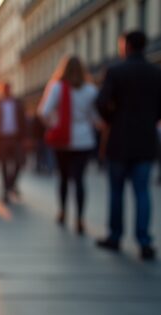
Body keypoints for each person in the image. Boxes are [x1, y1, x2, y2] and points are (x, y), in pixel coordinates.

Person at [95, 31, 161, 260]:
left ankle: (115, 236)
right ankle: (144, 241)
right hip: (145, 140)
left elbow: (101, 102)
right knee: (142, 192)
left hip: (119, 140)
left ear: (127, 46)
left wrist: (112, 119)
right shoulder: (155, 72)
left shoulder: (115, 71)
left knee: (117, 191)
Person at [38, 56, 100, 234]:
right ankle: (80, 218)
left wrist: (54, 125)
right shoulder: (90, 90)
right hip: (84, 140)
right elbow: (95, 118)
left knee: (63, 178)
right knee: (80, 180)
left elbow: (44, 112)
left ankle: (63, 211)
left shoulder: (57, 87)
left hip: (63, 141)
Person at [0, 82, 28, 203]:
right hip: (2, 138)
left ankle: (11, 183)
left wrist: (25, 138)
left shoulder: (17, 103)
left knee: (19, 162)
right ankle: (6, 189)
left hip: (16, 137)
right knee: (3, 165)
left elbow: (23, 120)